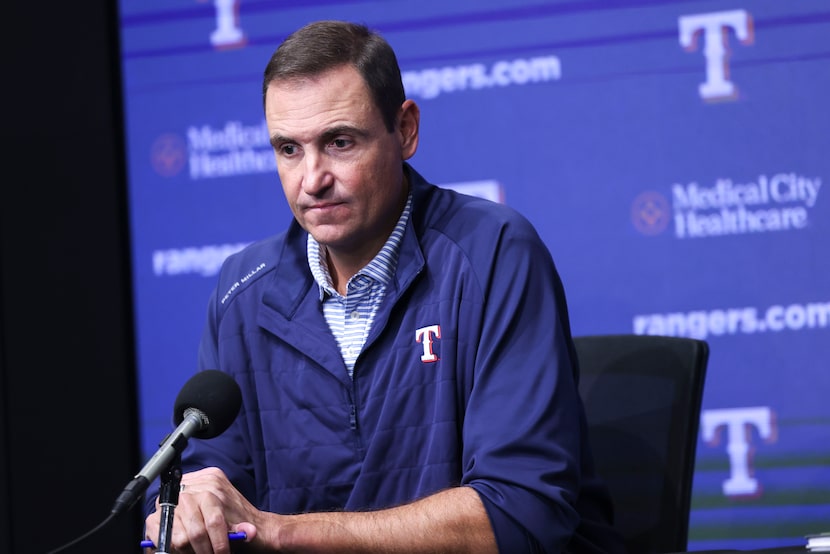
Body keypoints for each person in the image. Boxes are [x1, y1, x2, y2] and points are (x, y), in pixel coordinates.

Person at [143, 19, 625, 554]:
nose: (312, 178)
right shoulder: (241, 293)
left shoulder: (494, 254)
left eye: (340, 142)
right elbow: (217, 490)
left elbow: (520, 514)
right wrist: (190, 511)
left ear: (406, 130)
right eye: (288, 149)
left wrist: (281, 534)